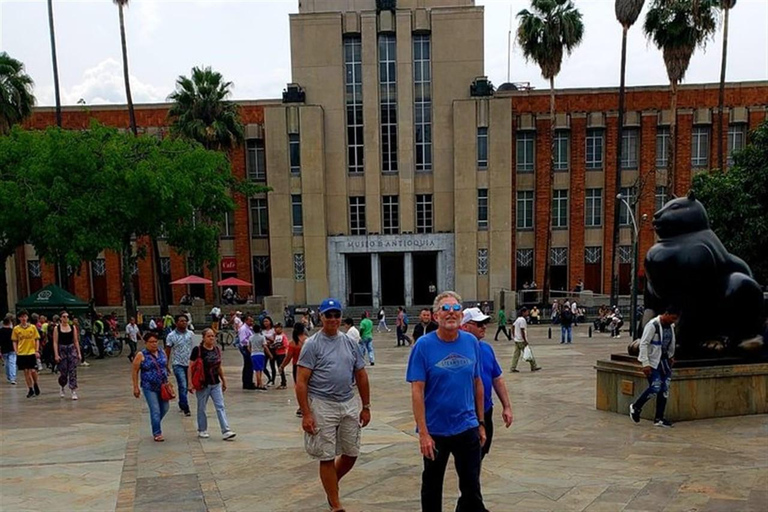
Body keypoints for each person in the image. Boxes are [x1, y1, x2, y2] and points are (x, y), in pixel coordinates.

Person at [406, 291, 488, 512]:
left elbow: (478, 383)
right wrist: (423, 433)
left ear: (461, 316)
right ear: (435, 316)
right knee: (432, 487)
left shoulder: (471, 342)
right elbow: (417, 391)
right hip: (436, 431)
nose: (451, 313)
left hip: (466, 427)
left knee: (472, 487)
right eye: (445, 309)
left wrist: (480, 422)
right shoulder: (423, 346)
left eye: (455, 309)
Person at [296, 298, 371, 512]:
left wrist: (366, 406)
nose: (333, 319)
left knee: (351, 452)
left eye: (336, 315)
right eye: (328, 315)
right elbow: (301, 381)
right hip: (322, 404)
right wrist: (306, 413)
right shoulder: (312, 344)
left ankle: (331, 486)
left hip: (347, 401)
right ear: (320, 317)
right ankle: (335, 504)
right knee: (326, 454)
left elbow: (361, 374)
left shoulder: (349, 342)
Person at [460, 307, 514, 462]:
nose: (484, 326)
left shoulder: (486, 349)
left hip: (485, 411)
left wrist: (507, 406)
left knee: (480, 454)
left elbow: (497, 378)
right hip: (465, 415)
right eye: (479, 324)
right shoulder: (457, 351)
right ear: (465, 326)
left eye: (485, 323)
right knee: (468, 460)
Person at [629, 306, 680, 428]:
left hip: (664, 362)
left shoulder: (671, 327)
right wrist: (645, 363)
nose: (673, 321)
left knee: (664, 390)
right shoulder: (653, 325)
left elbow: (670, 343)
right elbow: (644, 343)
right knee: (656, 387)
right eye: (672, 318)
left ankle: (659, 418)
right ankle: (636, 406)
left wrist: (671, 356)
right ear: (666, 314)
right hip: (653, 363)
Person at [189, 328, 237, 440]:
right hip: (203, 383)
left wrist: (223, 380)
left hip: (215, 382)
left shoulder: (216, 349)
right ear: (203, 338)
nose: (211, 338)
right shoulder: (198, 350)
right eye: (209, 336)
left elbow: (219, 366)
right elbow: (191, 367)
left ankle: (226, 430)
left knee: (220, 406)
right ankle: (202, 429)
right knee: (202, 407)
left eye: (213, 336)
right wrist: (190, 382)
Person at [132, 332, 171, 442]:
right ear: (145, 343)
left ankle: (155, 423)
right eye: (151, 342)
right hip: (149, 386)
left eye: (155, 341)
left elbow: (164, 365)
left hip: (162, 385)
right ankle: (157, 432)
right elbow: (135, 371)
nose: (154, 344)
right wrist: (135, 387)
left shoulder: (162, 352)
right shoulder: (141, 355)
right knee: (155, 409)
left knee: (165, 407)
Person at [164, 314, 194, 416]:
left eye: (185, 321)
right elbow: (167, 351)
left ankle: (182, 402)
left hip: (189, 364)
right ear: (176, 323)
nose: (184, 323)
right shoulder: (171, 336)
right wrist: (165, 364)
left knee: (186, 386)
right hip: (178, 364)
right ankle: (186, 407)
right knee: (182, 384)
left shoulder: (191, 334)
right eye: (181, 321)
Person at [282, 323, 308, 416]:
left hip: (297, 367)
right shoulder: (309, 341)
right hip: (309, 367)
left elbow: (288, 357)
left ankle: (302, 407)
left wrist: (282, 366)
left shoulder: (293, 343)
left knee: (299, 387)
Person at [12, 310, 41, 398]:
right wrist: (16, 350)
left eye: (25, 316)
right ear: (19, 318)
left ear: (27, 317)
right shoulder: (16, 329)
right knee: (26, 371)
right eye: (22, 317)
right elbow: (14, 341)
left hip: (31, 352)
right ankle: (30, 388)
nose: (23, 318)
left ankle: (35, 383)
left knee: (33, 370)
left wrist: (36, 350)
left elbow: (37, 339)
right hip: (22, 352)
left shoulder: (32, 327)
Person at [54, 311, 81, 400]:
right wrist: (56, 354)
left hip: (71, 349)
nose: (66, 318)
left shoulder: (72, 327)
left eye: (67, 317)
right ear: (61, 318)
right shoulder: (57, 328)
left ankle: (73, 389)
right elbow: (55, 342)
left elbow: (76, 340)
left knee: (72, 370)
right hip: (62, 349)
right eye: (64, 317)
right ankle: (62, 386)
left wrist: (79, 352)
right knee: (63, 371)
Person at [510, 307, 542, 373]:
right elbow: (522, 330)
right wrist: (525, 340)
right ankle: (533, 366)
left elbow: (513, 326)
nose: (527, 313)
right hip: (521, 340)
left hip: (517, 340)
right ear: (523, 312)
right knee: (528, 352)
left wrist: (514, 336)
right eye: (526, 312)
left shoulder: (518, 319)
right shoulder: (522, 320)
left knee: (516, 354)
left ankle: (513, 367)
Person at [237, 314, 257, 390]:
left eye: (252, 320)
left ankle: (249, 382)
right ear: (246, 321)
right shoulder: (243, 329)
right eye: (250, 320)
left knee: (249, 365)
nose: (252, 322)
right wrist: (251, 342)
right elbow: (243, 340)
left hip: (250, 347)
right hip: (246, 348)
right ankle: (247, 383)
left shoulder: (249, 328)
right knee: (248, 365)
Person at [248, 323, 267, 391]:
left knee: (257, 370)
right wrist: (269, 354)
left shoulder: (250, 337)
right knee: (260, 369)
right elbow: (264, 346)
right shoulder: (262, 337)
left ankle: (258, 383)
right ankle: (261, 384)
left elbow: (249, 347)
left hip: (254, 354)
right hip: (261, 354)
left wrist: (251, 352)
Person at [1, 314, 17, 385]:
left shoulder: (0, 331)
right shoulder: (13, 331)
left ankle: (8, 376)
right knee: (12, 363)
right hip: (12, 348)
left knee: (7, 363)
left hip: (4, 349)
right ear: (10, 323)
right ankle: (12, 378)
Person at [272, 323, 289, 389]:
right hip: (276, 353)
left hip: (282, 353)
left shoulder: (283, 336)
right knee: (279, 368)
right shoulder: (275, 336)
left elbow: (286, 344)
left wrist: (280, 346)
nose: (276, 329)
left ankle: (284, 383)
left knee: (281, 368)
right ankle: (283, 381)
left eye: (277, 328)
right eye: (275, 328)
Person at [261, 317, 277, 386]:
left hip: (272, 348)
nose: (265, 323)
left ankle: (273, 379)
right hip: (265, 349)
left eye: (267, 321)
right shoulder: (262, 331)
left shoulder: (273, 330)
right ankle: (269, 377)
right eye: (264, 321)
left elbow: (274, 340)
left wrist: (267, 338)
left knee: (272, 365)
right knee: (263, 366)